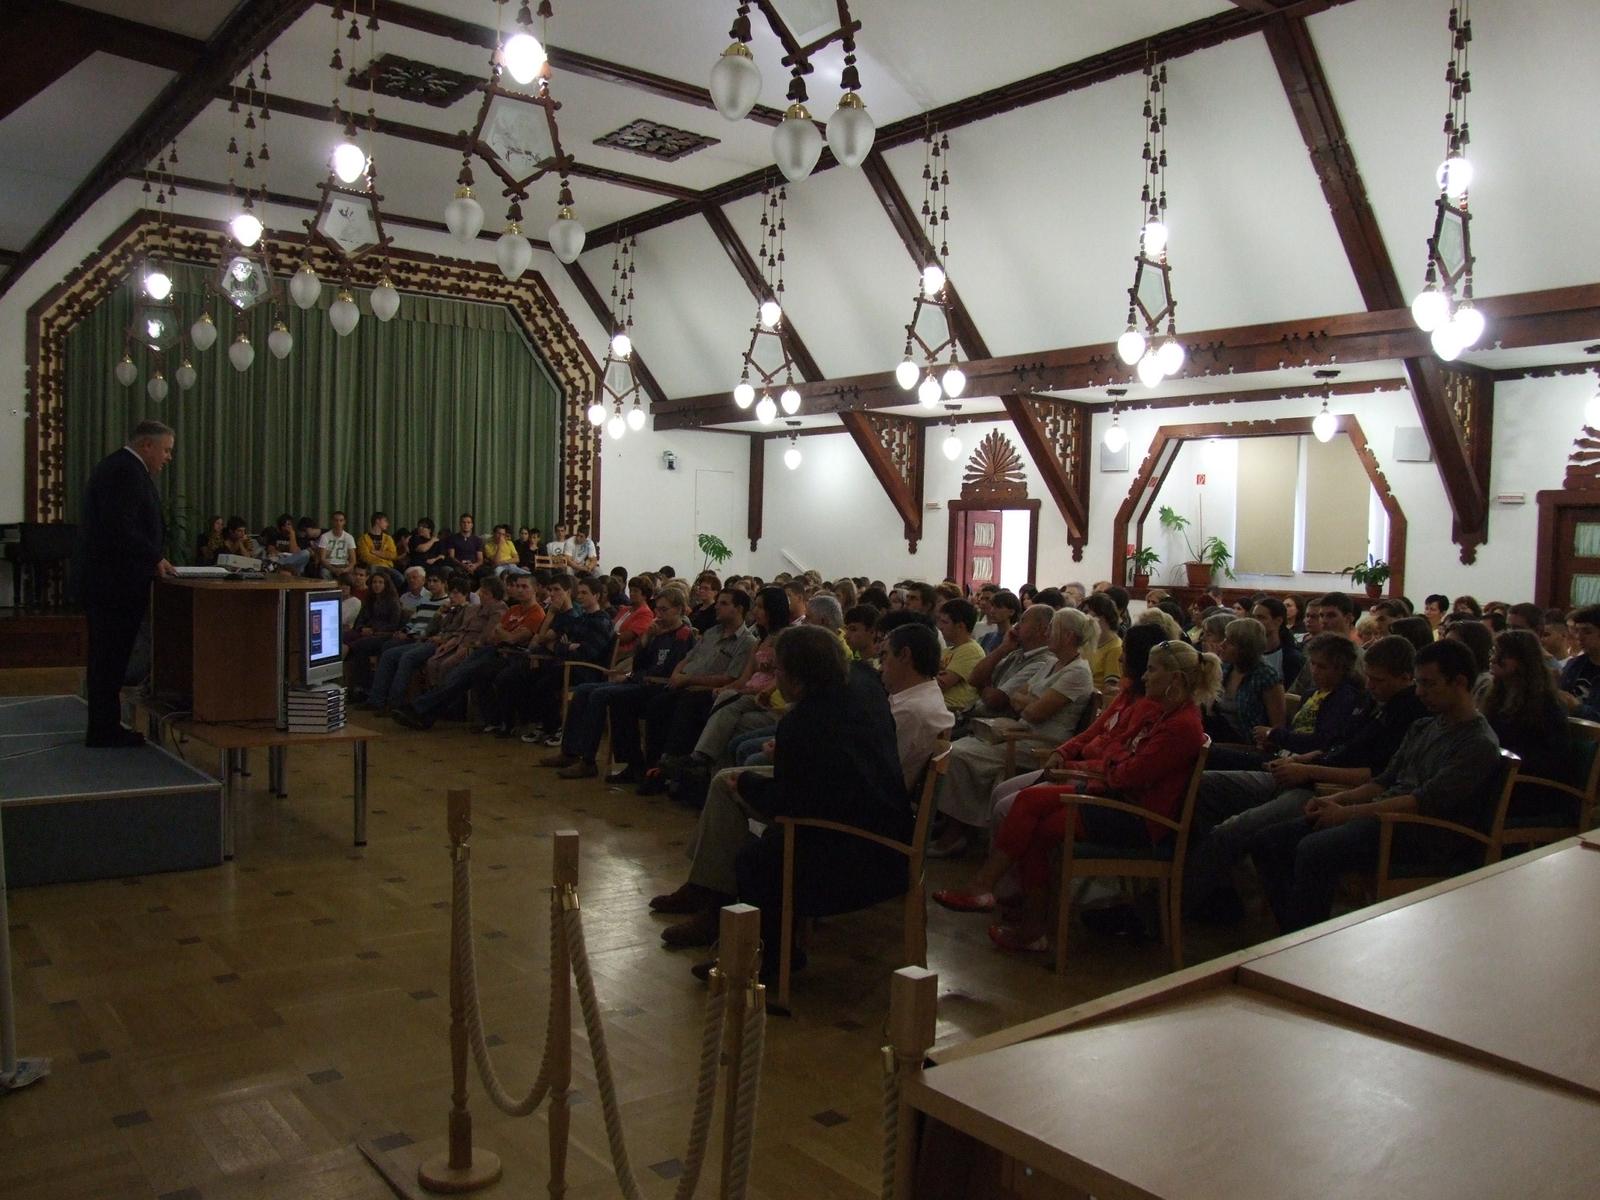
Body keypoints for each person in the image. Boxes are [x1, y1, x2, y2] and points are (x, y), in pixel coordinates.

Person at [933, 638, 1217, 952]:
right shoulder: (1163, 712)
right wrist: (1100, 761)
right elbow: (1118, 753)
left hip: (1139, 818)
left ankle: (990, 891)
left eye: (1152, 670)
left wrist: (1092, 764)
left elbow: (1127, 773)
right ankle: (1028, 920)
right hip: (1116, 796)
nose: (1144, 676)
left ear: (1175, 679)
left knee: (1027, 802)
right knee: (1035, 823)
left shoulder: (1180, 725)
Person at [1248, 639, 1504, 933]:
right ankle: (1296, 930)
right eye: (1419, 683)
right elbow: (1384, 779)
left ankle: (1303, 935)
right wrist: (1339, 801)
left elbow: (1421, 801)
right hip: (1385, 816)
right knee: (1268, 841)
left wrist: (1347, 812)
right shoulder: (1424, 726)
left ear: (1460, 682)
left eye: (1429, 684)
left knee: (1314, 849)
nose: (1419, 692)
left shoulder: (1477, 743)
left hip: (1423, 832)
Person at [1184, 635, 1427, 916]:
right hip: (1305, 771)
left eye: (1378, 680)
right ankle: (1219, 890)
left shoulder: (1403, 712)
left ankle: (1186, 902)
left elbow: (1377, 774)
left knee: (1238, 830)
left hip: (1322, 787)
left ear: (1406, 678)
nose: (1370, 685)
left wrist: (1307, 769)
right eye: (1369, 678)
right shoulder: (1373, 702)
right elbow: (1339, 747)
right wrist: (1303, 759)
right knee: (1200, 786)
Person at [927, 607, 1098, 859]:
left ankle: (956, 833)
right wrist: (1028, 701)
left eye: (1054, 628)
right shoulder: (1053, 663)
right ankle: (958, 826)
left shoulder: (1077, 672)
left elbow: (1034, 712)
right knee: (957, 748)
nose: (1048, 633)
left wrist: (1027, 702)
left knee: (959, 754)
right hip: (1020, 732)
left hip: (1041, 745)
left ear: (1068, 636)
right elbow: (1019, 699)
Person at [79, 420, 177, 747]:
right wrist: (154, 556)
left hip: (113, 582)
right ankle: (104, 730)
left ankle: (105, 726)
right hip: (115, 585)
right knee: (110, 658)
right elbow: (121, 526)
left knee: (110, 658)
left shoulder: (123, 468)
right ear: (147, 445)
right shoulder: (124, 471)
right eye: (166, 450)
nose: (168, 457)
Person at [541, 590, 697, 778]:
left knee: (601, 695)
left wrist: (637, 676)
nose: (659, 614)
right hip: (639, 681)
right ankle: (570, 752)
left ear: (678, 609)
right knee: (583, 690)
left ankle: (588, 761)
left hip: (658, 687)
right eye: (657, 610)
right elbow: (640, 665)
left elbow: (667, 670)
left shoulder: (683, 635)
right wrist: (645, 641)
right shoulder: (656, 632)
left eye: (664, 610)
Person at [935, 598, 984, 714]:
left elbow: (941, 683)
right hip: (939, 706)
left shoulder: (971, 650)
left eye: (945, 622)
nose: (939, 626)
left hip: (953, 710)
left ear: (960, 626)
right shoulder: (948, 651)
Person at [1557, 604, 1600, 720]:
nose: (1579, 637)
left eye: (1587, 632)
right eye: (1577, 631)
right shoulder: (1574, 664)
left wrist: (1577, 708)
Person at [317, 511, 356, 579]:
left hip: (343, 565)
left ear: (344, 522)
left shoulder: (349, 537)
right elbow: (322, 559)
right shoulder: (325, 536)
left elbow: (353, 560)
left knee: (350, 577)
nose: (338, 523)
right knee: (324, 573)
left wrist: (345, 570)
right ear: (332, 521)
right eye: (336, 520)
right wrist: (334, 569)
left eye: (341, 520)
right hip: (329, 566)